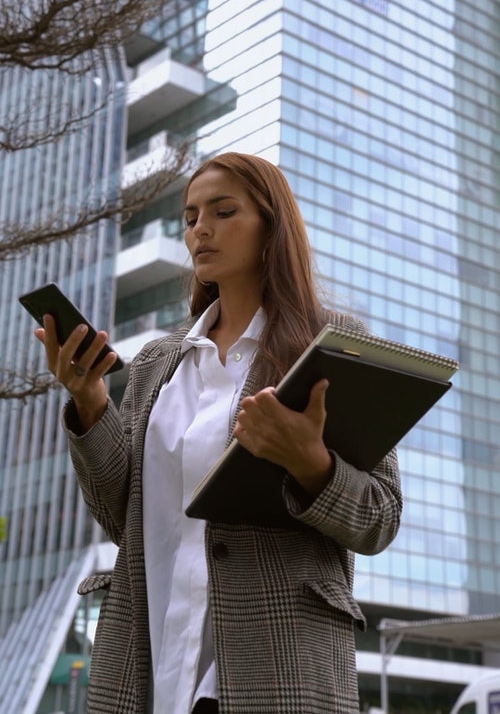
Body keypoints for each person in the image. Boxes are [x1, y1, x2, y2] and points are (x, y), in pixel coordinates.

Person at [36, 151, 402, 714]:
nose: (200, 228)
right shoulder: (160, 361)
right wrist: (89, 402)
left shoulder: (332, 344)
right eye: (189, 217)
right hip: (149, 662)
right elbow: (119, 517)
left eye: (224, 211)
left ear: (271, 226)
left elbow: (380, 518)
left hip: (275, 666)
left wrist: (311, 463)